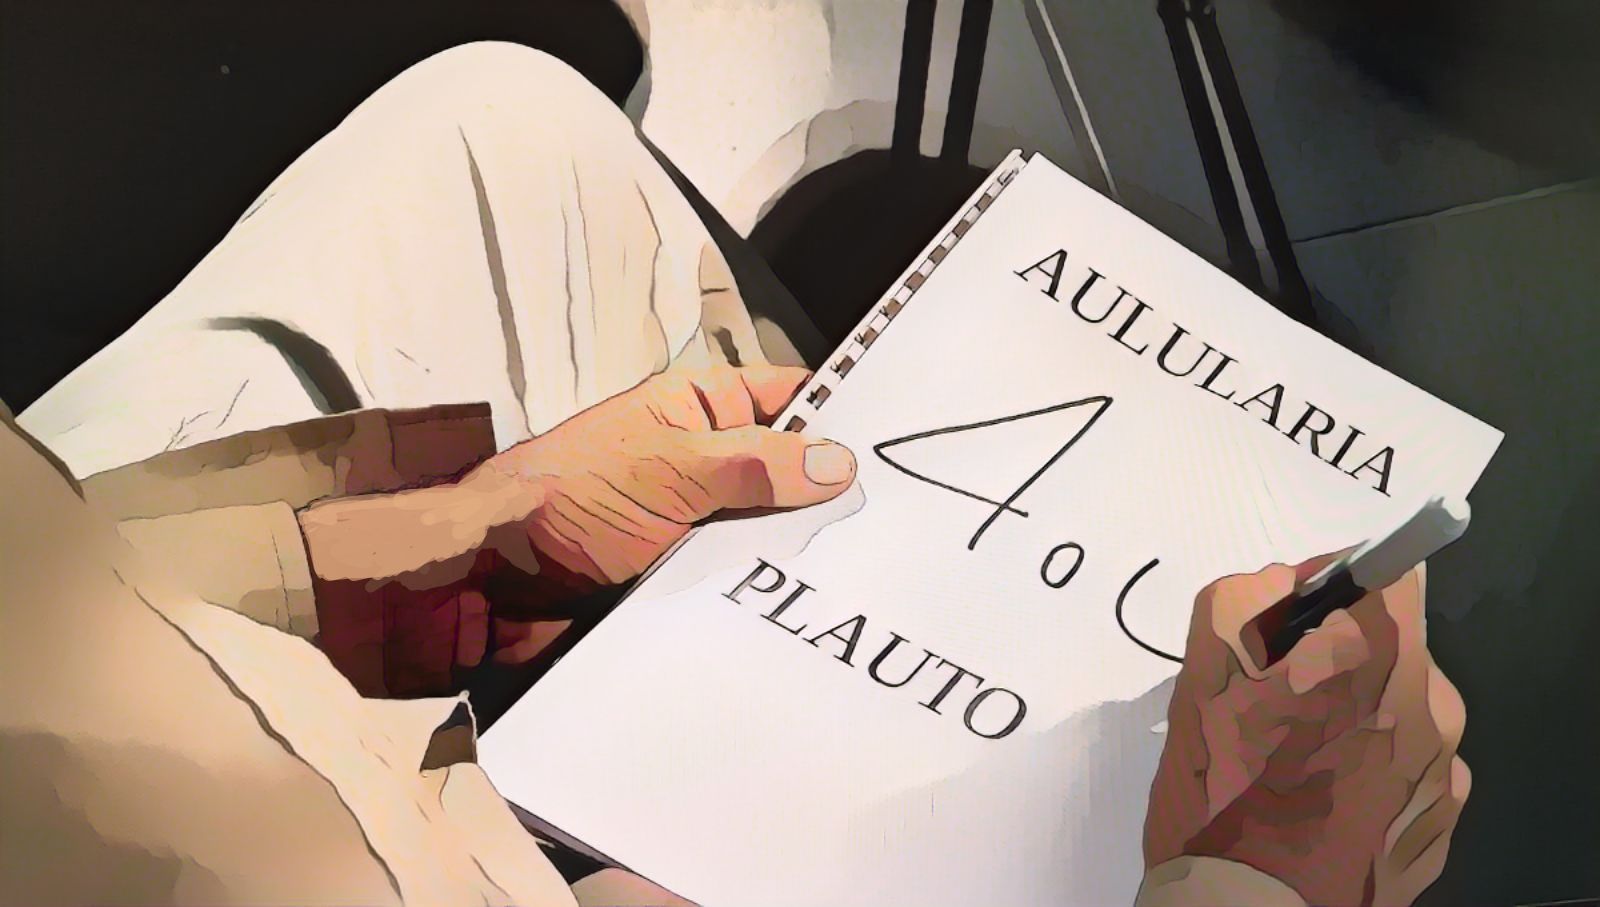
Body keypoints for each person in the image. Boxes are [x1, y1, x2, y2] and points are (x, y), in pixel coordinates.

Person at [1, 42, 1467, 906]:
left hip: (114, 639)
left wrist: (459, 548)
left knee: (507, 128)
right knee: (1346, 800)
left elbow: (55, 620)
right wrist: (1259, 879)